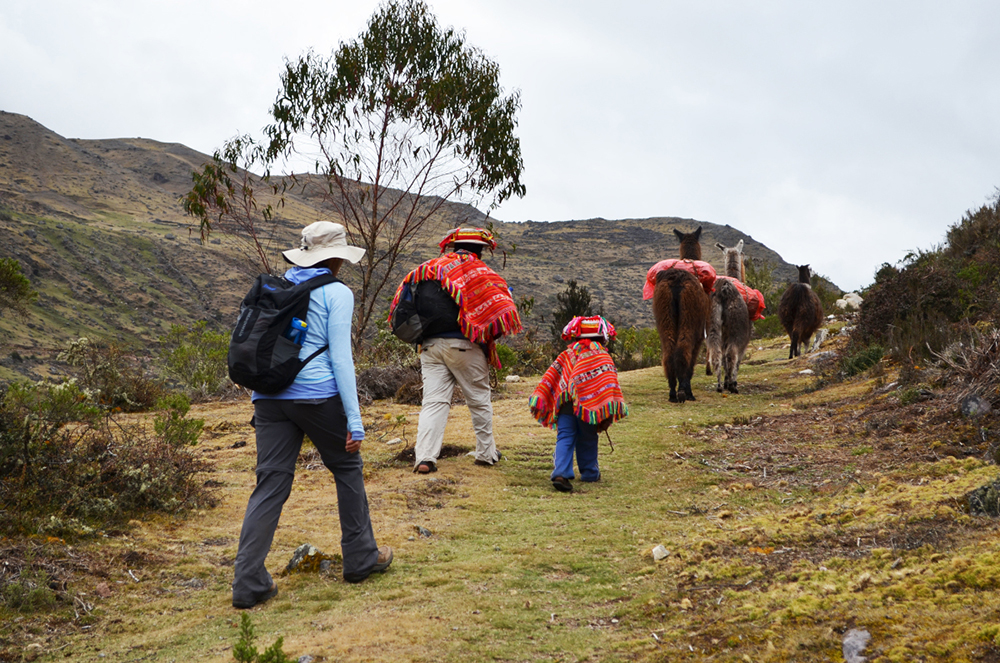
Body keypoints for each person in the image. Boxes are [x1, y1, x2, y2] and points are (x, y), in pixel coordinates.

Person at [232, 221, 392, 610]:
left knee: (270, 484)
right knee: (347, 467)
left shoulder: (281, 284)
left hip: (268, 399)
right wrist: (355, 421)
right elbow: (341, 358)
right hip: (317, 397)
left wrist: (260, 396)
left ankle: (247, 582)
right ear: (336, 257)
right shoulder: (337, 292)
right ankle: (360, 559)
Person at [388, 227, 522, 474]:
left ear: (451, 245)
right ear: (480, 249)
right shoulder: (483, 274)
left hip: (429, 346)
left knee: (434, 403)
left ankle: (425, 458)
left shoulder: (426, 270)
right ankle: (485, 453)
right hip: (464, 346)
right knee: (479, 400)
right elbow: (502, 309)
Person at [529, 316, 628, 493]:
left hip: (566, 404)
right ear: (602, 337)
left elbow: (554, 376)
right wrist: (604, 410)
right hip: (589, 407)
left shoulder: (567, 354)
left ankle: (561, 473)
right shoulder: (602, 357)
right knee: (588, 437)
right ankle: (590, 472)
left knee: (565, 436)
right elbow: (609, 383)